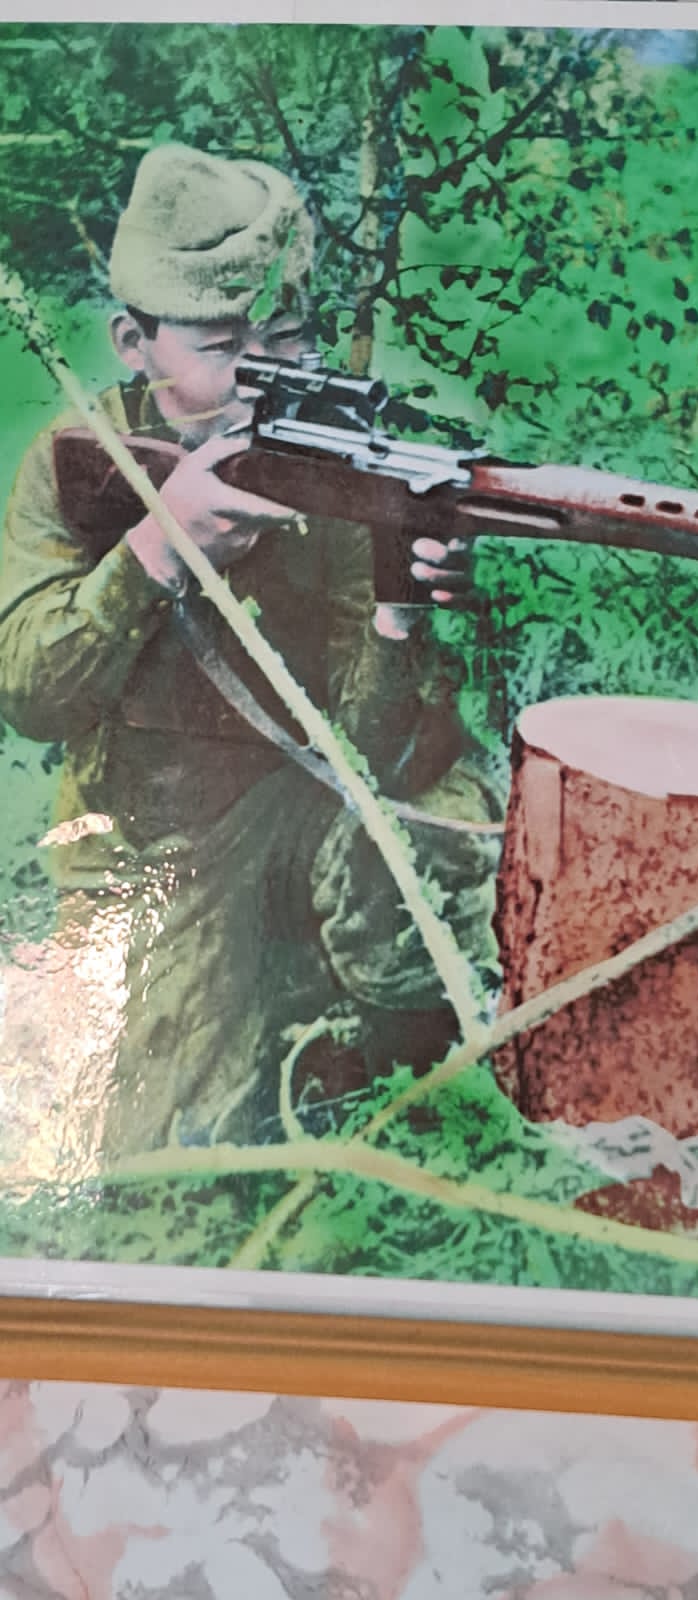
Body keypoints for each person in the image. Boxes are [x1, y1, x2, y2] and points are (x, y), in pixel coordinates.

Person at [0, 143, 502, 1166]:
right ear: (133, 342)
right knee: (163, 1150)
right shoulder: (77, 460)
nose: (265, 375)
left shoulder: (349, 461)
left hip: (324, 804)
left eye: (288, 336)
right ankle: (292, 1025)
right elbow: (31, 694)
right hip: (160, 840)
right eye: (225, 344)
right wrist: (157, 550)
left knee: (411, 873)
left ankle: (403, 1059)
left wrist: (402, 613)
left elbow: (379, 759)